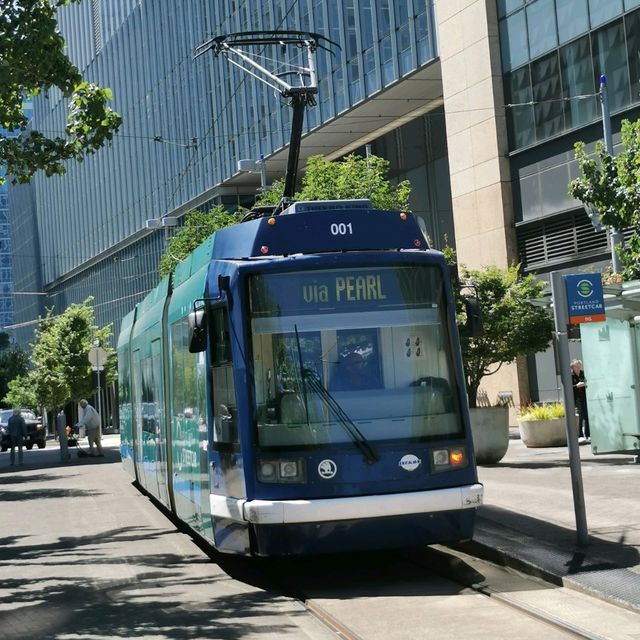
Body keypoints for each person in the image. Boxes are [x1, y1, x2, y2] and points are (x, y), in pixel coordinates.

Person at [571, 359, 590, 442]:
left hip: (584, 397)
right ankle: (580, 436)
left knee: (587, 416)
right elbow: (568, 387)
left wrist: (585, 384)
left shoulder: (583, 374)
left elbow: (588, 382)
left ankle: (588, 435)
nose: (579, 367)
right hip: (576, 398)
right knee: (580, 416)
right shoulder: (570, 375)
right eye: (577, 366)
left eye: (579, 365)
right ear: (573, 367)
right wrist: (576, 385)